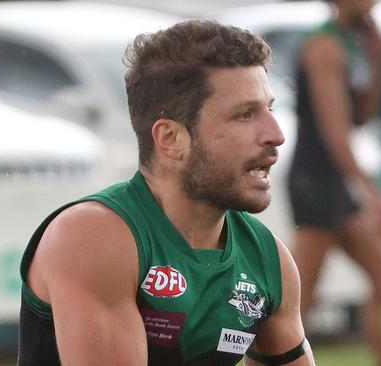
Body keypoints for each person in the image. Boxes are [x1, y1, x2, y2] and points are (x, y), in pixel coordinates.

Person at [18, 20, 316, 366]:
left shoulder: (266, 259)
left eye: (270, 109)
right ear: (171, 139)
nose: (276, 134)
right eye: (244, 115)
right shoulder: (94, 236)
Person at [287, 0, 381, 365]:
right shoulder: (324, 45)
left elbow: (363, 117)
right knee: (299, 298)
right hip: (314, 181)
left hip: (333, 181)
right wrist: (374, 193)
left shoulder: (350, 44)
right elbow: (335, 133)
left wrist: (380, 60)